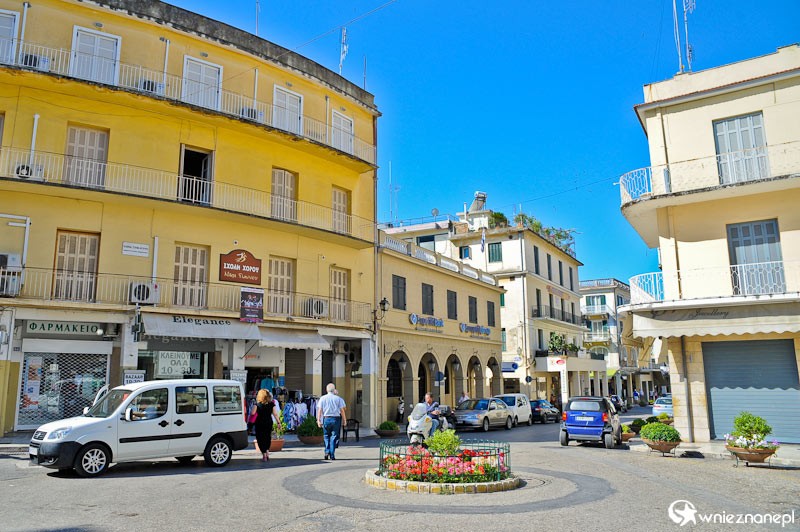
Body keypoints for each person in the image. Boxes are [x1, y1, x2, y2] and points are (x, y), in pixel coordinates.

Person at [317, 383, 346, 461]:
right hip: (335, 419)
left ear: (326, 390)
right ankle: (332, 454)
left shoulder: (322, 398)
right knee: (333, 436)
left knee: (326, 436)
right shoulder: (338, 399)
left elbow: (319, 410)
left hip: (326, 418)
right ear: (334, 390)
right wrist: (344, 420)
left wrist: (318, 420)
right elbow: (342, 410)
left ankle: (327, 452)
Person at [254, 389, 282, 462]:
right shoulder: (272, 404)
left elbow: (252, 413)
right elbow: (275, 414)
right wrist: (279, 423)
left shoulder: (257, 404)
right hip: (269, 423)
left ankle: (264, 455)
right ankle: (267, 452)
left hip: (260, 423)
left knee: (260, 439)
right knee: (267, 437)